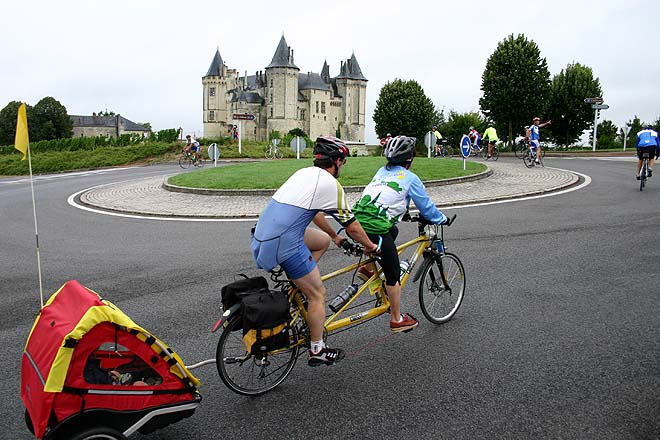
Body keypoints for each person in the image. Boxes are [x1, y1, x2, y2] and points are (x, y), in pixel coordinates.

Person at [251, 136, 379, 366]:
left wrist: (335, 237)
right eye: (344, 161)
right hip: (285, 241)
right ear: (337, 161)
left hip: (264, 236)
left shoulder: (304, 174)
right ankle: (317, 349)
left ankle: (299, 284)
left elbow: (316, 212)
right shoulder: (330, 183)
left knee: (321, 241)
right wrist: (370, 246)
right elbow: (353, 226)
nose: (343, 166)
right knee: (318, 294)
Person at [352, 136, 449, 333]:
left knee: (393, 230)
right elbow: (426, 208)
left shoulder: (381, 171)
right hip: (374, 227)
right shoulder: (410, 178)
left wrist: (402, 213)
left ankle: (368, 267)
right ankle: (397, 319)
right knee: (393, 273)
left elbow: (386, 196)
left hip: (356, 223)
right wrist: (441, 219)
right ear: (410, 159)